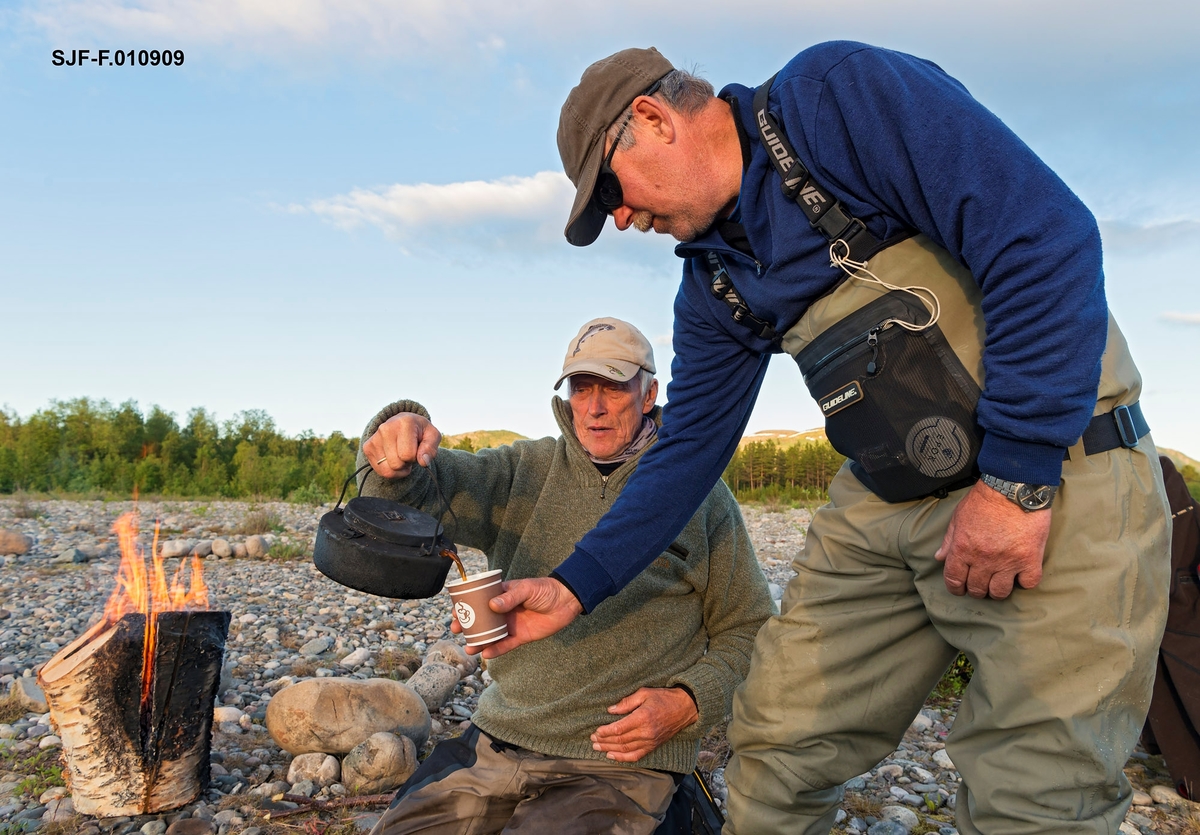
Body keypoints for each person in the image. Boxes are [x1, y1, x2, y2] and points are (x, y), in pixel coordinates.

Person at [480, 44, 1170, 834]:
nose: (625, 220)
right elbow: (687, 449)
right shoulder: (712, 280)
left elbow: (1043, 235)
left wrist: (1014, 479)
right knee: (776, 743)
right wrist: (572, 585)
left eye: (611, 193)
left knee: (1039, 793)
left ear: (652, 118)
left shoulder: (833, 101)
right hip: (885, 496)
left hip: (1057, 464)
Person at [357, 316, 773, 835]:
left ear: (649, 395)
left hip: (619, 765)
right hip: (497, 738)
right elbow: (413, 496)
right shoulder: (523, 471)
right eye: (581, 386)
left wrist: (689, 703)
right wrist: (395, 449)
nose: (595, 406)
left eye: (614, 386)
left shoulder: (701, 495)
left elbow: (751, 627)